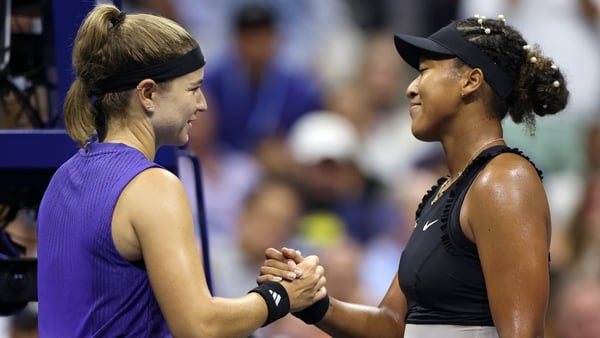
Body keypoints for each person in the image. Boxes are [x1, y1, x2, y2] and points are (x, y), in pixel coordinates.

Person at [259, 15, 570, 338]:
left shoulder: (505, 181)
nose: (410, 88)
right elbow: (393, 323)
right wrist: (314, 303)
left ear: (471, 81)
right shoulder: (441, 193)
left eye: (424, 72)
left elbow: (523, 334)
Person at [36, 4, 326, 337]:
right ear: (147, 93)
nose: (202, 103)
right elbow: (199, 325)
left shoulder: (61, 178)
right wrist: (283, 296)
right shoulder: (153, 186)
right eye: (192, 88)